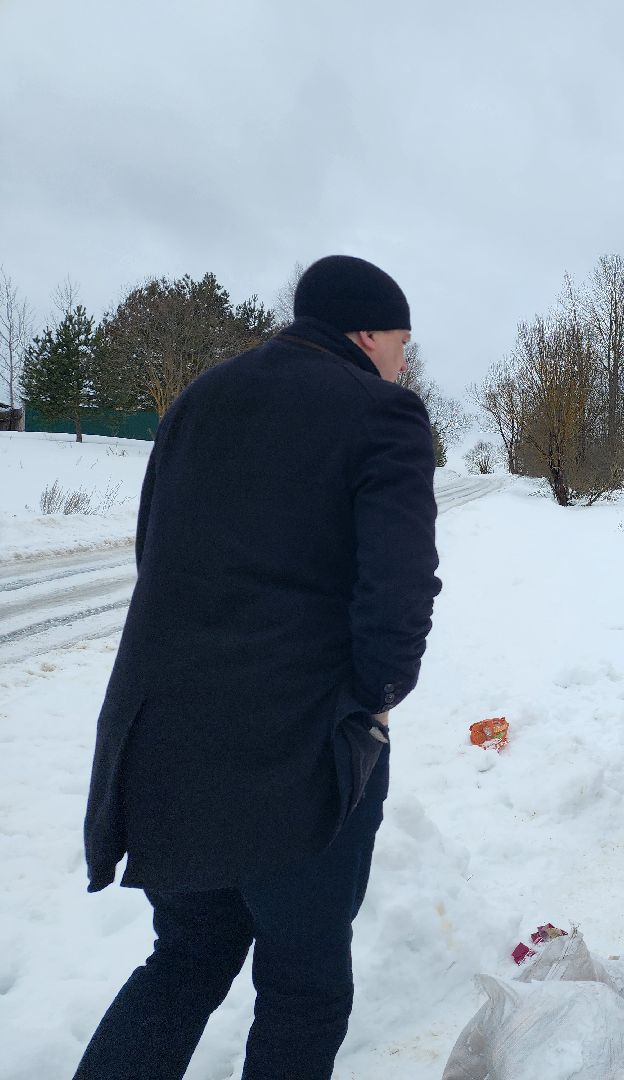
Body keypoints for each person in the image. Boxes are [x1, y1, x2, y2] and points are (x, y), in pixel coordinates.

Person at [75, 255, 443, 1080]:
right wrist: (375, 702)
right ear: (368, 331)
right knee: (304, 984)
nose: (404, 362)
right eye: (402, 344)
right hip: (297, 754)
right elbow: (399, 587)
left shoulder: (197, 403)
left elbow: (155, 556)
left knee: (186, 961)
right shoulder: (382, 414)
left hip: (164, 739)